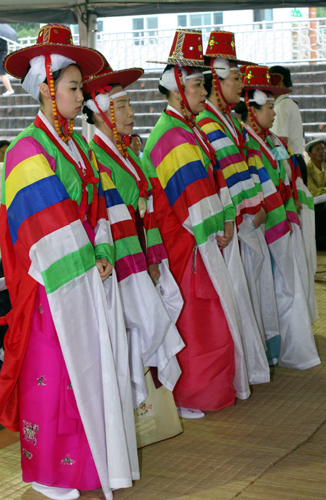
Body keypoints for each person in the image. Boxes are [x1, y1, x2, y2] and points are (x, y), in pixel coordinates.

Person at [0, 24, 139, 500]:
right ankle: (49, 472)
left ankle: (85, 466)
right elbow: (44, 229)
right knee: (53, 378)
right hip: (51, 287)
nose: (82, 97)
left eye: (81, 88)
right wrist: (87, 261)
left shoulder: (79, 148)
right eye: (74, 87)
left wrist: (103, 250)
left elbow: (97, 206)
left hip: (85, 275)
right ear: (46, 87)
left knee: (86, 375)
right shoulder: (23, 152)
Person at [142, 29, 251, 419]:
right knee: (197, 321)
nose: (204, 93)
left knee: (209, 319)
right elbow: (192, 197)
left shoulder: (184, 128)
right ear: (175, 90)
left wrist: (222, 220)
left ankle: (202, 391)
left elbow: (207, 185)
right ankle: (191, 393)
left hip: (196, 233)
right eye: (196, 86)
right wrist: (219, 225)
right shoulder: (171, 135)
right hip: (185, 238)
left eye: (204, 85)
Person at [81, 60, 185, 443]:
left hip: (142, 260)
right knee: (131, 338)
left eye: (128, 106)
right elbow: (114, 219)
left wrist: (155, 258)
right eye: (122, 107)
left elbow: (150, 209)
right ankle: (121, 429)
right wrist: (143, 265)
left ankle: (133, 424)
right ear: (102, 113)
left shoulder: (129, 155)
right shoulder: (97, 158)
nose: (131, 114)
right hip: (124, 267)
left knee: (144, 335)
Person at [197, 31, 279, 368]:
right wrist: (249, 208)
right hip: (234, 222)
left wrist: (258, 205)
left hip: (248, 219)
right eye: (234, 78)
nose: (239, 83)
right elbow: (225, 173)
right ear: (215, 81)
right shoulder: (205, 121)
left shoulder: (231, 120)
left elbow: (246, 165)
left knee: (250, 295)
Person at [236, 65, 320, 370]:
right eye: (269, 107)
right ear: (251, 107)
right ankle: (276, 349)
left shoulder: (270, 139)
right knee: (272, 291)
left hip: (281, 220)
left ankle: (285, 345)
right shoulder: (246, 141)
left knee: (285, 286)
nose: (274, 113)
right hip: (266, 225)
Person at [269, 65, 307, 185]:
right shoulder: (290, 103)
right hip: (297, 161)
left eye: (270, 82)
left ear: (279, 82)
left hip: (290, 163)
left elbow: (281, 143)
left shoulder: (281, 107)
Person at [306, 138, 326, 250]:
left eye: (323, 149)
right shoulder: (307, 169)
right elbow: (312, 192)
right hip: (313, 205)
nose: (321, 152)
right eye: (317, 149)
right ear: (310, 154)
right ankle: (321, 239)